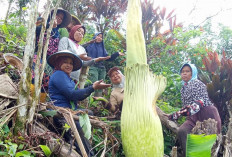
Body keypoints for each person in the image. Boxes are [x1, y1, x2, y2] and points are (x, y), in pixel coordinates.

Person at [47, 50, 111, 156]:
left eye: (71, 63)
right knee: (78, 126)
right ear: (59, 63)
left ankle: (84, 147)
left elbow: (76, 95)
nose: (69, 65)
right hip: (60, 112)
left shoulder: (66, 77)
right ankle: (88, 154)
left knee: (89, 113)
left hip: (69, 110)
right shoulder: (59, 74)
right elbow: (73, 95)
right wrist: (93, 87)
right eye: (65, 62)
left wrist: (92, 87)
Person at [165, 63, 221, 156]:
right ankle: (189, 154)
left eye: (187, 71)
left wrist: (177, 114)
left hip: (207, 114)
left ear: (193, 73)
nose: (184, 73)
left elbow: (199, 104)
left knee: (209, 140)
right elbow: (187, 107)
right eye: (182, 72)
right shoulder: (183, 88)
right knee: (183, 131)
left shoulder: (197, 83)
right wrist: (173, 115)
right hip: (193, 116)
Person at [31, 8, 71, 102]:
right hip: (38, 55)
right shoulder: (41, 20)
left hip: (49, 61)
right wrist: (49, 26)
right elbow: (34, 29)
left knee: (46, 81)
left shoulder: (57, 32)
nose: (59, 19)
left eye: (61, 18)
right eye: (57, 16)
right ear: (52, 15)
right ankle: (29, 101)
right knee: (35, 76)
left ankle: (39, 103)